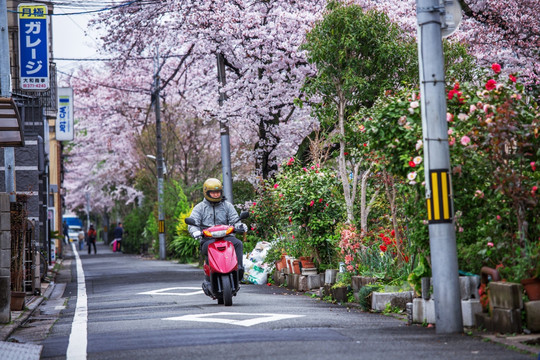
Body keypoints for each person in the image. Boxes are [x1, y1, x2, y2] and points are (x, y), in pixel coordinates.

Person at [188, 178, 247, 278]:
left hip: (226, 237)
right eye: (213, 192)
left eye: (218, 192)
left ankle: (239, 269)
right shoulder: (199, 208)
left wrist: (240, 226)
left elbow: (235, 220)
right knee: (207, 248)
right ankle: (209, 274)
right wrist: (195, 231)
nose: (216, 194)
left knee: (237, 243)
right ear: (206, 193)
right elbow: (193, 223)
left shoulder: (227, 206)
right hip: (208, 239)